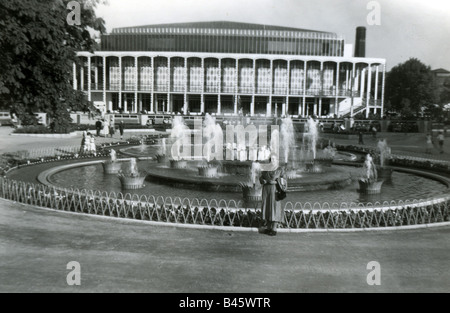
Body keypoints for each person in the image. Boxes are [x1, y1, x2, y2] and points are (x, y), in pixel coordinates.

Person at [259, 155, 286, 236]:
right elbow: (261, 177)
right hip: (266, 190)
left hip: (275, 190)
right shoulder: (265, 169)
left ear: (277, 160)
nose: (272, 161)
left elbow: (284, 180)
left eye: (274, 159)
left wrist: (275, 182)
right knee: (267, 207)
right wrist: (262, 180)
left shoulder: (280, 169)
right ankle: (268, 227)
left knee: (274, 208)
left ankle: (274, 228)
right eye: (271, 159)